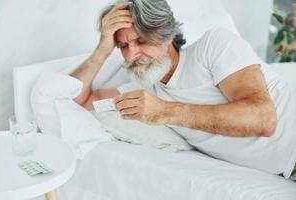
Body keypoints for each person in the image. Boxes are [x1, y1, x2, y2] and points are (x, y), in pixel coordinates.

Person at [70, 0, 296, 180]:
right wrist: (102, 48)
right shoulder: (145, 91)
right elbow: (77, 99)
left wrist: (163, 112)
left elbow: (263, 119)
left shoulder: (213, 46)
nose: (130, 56)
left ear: (166, 35)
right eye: (123, 46)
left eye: (141, 41)